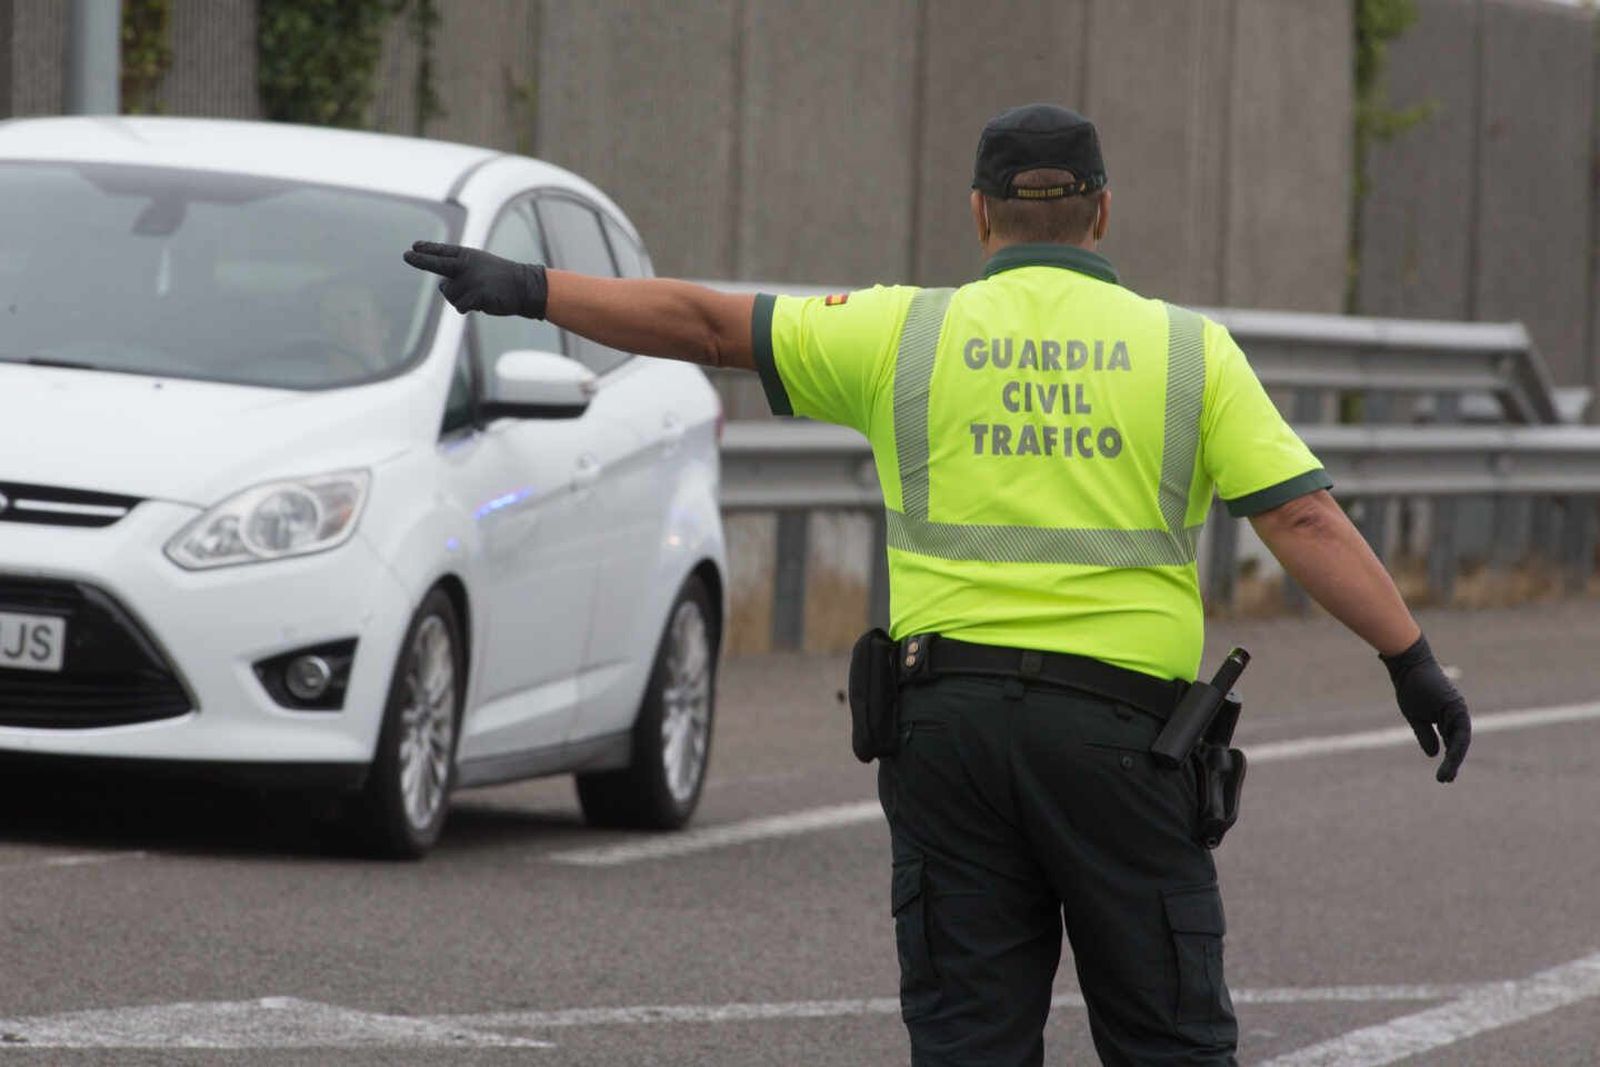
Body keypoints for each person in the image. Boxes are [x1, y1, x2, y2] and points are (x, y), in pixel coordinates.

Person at [403, 103, 1471, 1066]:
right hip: (1124, 744)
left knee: (969, 1037)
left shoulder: (901, 332)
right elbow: (1300, 516)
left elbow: (706, 324)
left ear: (978, 212)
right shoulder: (1187, 351)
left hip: (946, 730)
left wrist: (529, 287)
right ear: (1101, 213)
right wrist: (1409, 660)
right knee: (1168, 1036)